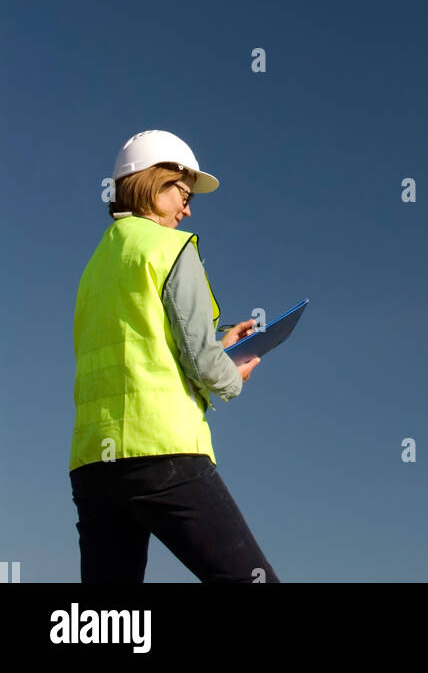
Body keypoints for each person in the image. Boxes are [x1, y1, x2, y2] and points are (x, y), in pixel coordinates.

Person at [69, 129, 280, 583]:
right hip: (163, 454)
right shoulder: (171, 249)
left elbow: (144, 344)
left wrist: (214, 343)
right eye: (181, 193)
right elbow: (203, 364)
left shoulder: (96, 265)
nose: (187, 209)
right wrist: (231, 373)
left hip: (94, 464)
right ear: (149, 183)